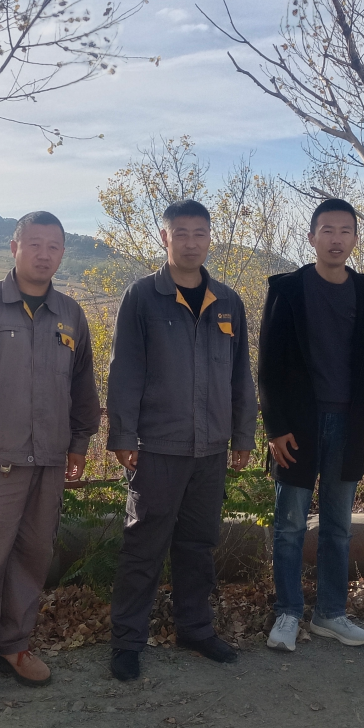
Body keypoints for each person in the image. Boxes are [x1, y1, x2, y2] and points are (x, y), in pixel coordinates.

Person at [0, 211, 101, 699]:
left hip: (48, 459)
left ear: (62, 253)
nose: (44, 254)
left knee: (32, 556)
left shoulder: (70, 313)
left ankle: (15, 644)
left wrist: (79, 443)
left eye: (53, 246)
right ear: (14, 248)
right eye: (34, 244)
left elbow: (82, 388)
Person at [104, 199, 258, 681]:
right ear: (165, 238)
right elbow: (124, 371)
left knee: (198, 544)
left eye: (200, 233)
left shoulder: (228, 301)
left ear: (210, 238)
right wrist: (123, 434)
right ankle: (127, 640)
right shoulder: (142, 297)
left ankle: (195, 628)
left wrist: (242, 434)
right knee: (143, 546)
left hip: (210, 449)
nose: (192, 243)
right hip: (157, 447)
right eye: (182, 233)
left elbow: (240, 375)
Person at [258, 198, 364, 652]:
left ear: (355, 238)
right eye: (327, 230)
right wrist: (275, 426)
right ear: (312, 237)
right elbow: (268, 364)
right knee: (290, 523)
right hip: (298, 424)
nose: (336, 239)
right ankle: (288, 612)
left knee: (338, 524)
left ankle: (331, 613)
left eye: (345, 231)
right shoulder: (288, 288)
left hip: (348, 423)